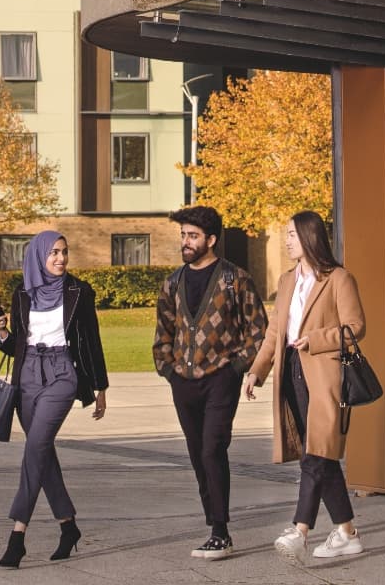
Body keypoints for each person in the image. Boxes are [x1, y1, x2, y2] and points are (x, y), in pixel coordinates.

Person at [246, 211, 370, 564]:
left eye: (291, 235)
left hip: (325, 376)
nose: (285, 241)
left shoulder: (339, 279)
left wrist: (314, 340)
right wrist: (257, 370)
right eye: (285, 235)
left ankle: (299, 530)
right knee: (318, 454)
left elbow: (355, 327)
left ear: (309, 237)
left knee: (316, 453)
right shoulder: (286, 281)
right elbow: (275, 333)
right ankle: (347, 533)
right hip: (291, 374)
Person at [153, 205, 268, 560]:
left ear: (211, 240)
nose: (185, 242)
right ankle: (213, 521)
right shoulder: (172, 282)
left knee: (211, 449)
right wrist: (168, 370)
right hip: (183, 381)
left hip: (221, 378)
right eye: (183, 236)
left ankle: (221, 532)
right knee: (196, 454)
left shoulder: (236, 279)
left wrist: (236, 369)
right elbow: (163, 333)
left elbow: (258, 330)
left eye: (193, 236)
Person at [0, 231, 110, 569]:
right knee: (42, 454)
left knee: (35, 446)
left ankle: (17, 536)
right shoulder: (23, 292)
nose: (60, 258)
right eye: (53, 252)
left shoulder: (79, 291)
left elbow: (91, 341)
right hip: (28, 375)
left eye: (64, 252)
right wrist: (2, 332)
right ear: (38, 256)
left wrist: (100, 387)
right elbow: (18, 345)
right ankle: (68, 527)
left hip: (62, 375)